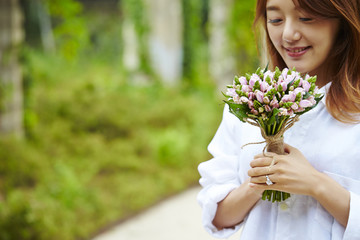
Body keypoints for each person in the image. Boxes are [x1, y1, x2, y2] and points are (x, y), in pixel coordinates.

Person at [197, 0, 360, 239]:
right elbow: (218, 217)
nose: (288, 34)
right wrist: (257, 183)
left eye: (306, 18)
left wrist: (316, 184)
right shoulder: (249, 102)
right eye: (275, 20)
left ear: (343, 21)